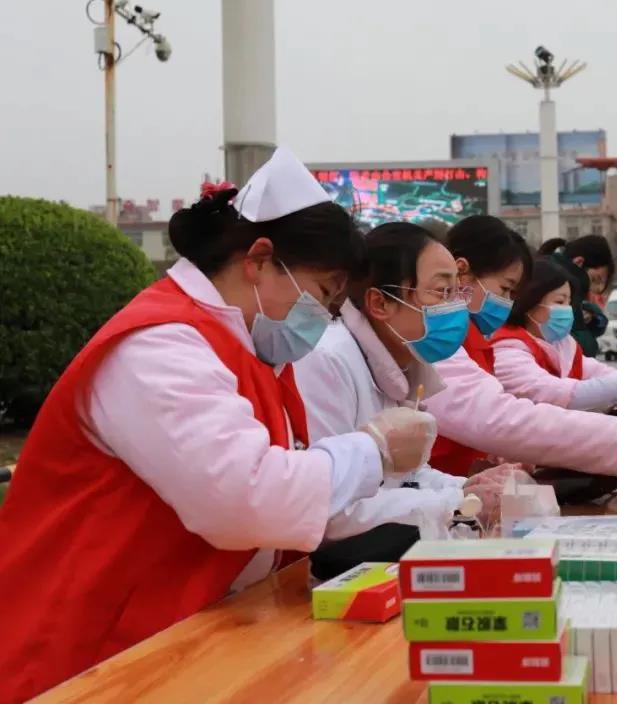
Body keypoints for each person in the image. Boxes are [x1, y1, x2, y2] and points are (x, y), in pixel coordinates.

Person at [0, 149, 437, 701]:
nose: (322, 317)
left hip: (177, 641)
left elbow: (300, 493)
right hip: (85, 656)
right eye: (322, 293)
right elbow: (247, 499)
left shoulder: (246, 349)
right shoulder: (159, 346)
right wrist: (374, 449)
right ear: (259, 259)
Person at [294, 222, 521, 576]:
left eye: (456, 293)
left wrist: (469, 487)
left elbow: (409, 475)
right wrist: (458, 501)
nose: (457, 307)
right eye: (441, 292)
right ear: (380, 302)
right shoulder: (328, 360)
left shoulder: (404, 358)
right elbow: (333, 506)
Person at [422, 216, 617, 477]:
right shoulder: (453, 340)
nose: (506, 302)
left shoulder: (551, 344)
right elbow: (495, 417)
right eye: (504, 289)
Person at [490, 257, 617, 410]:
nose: (567, 310)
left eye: (569, 302)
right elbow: (556, 394)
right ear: (529, 303)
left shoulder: (563, 345)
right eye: (559, 302)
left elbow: (601, 375)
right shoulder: (506, 349)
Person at [539, 235, 615, 356]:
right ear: (579, 262)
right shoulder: (556, 280)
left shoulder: (566, 279)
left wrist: (592, 315)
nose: (595, 288)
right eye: (594, 279)